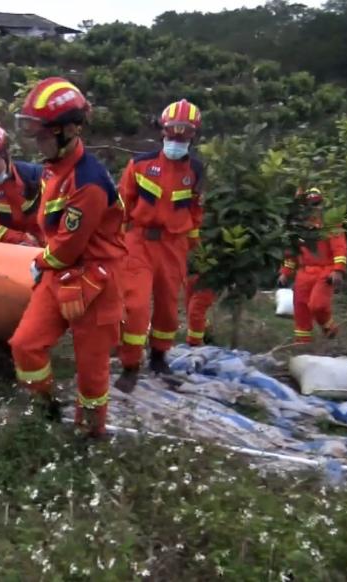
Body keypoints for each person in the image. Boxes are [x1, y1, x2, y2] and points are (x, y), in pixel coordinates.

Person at [8, 77, 127, 438]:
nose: (36, 140)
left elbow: (68, 247)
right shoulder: (53, 166)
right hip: (59, 272)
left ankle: (91, 433)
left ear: (69, 130)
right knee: (25, 346)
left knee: (91, 371)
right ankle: (45, 407)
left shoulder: (88, 182)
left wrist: (39, 261)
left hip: (95, 279)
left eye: (42, 132)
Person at [116, 99, 206, 392]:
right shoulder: (140, 164)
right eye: (172, 131)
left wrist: (192, 242)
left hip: (173, 245)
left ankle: (159, 357)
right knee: (136, 306)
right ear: (162, 131)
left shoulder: (196, 170)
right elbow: (122, 204)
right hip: (139, 241)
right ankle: (130, 365)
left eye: (184, 133)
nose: (177, 137)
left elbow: (195, 208)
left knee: (168, 307)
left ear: (193, 135)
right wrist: (117, 240)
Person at [278, 187, 347, 344]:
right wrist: (286, 271)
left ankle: (329, 327)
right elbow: (292, 252)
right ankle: (302, 345)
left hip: (325, 270)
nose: (313, 208)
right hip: (304, 272)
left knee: (318, 305)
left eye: (315, 204)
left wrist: (338, 270)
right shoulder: (297, 226)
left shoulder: (331, 223)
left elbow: (339, 247)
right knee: (301, 310)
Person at [184, 273, 216, 346]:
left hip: (207, 275)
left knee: (194, 312)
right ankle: (206, 334)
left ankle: (194, 344)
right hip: (190, 274)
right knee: (190, 311)